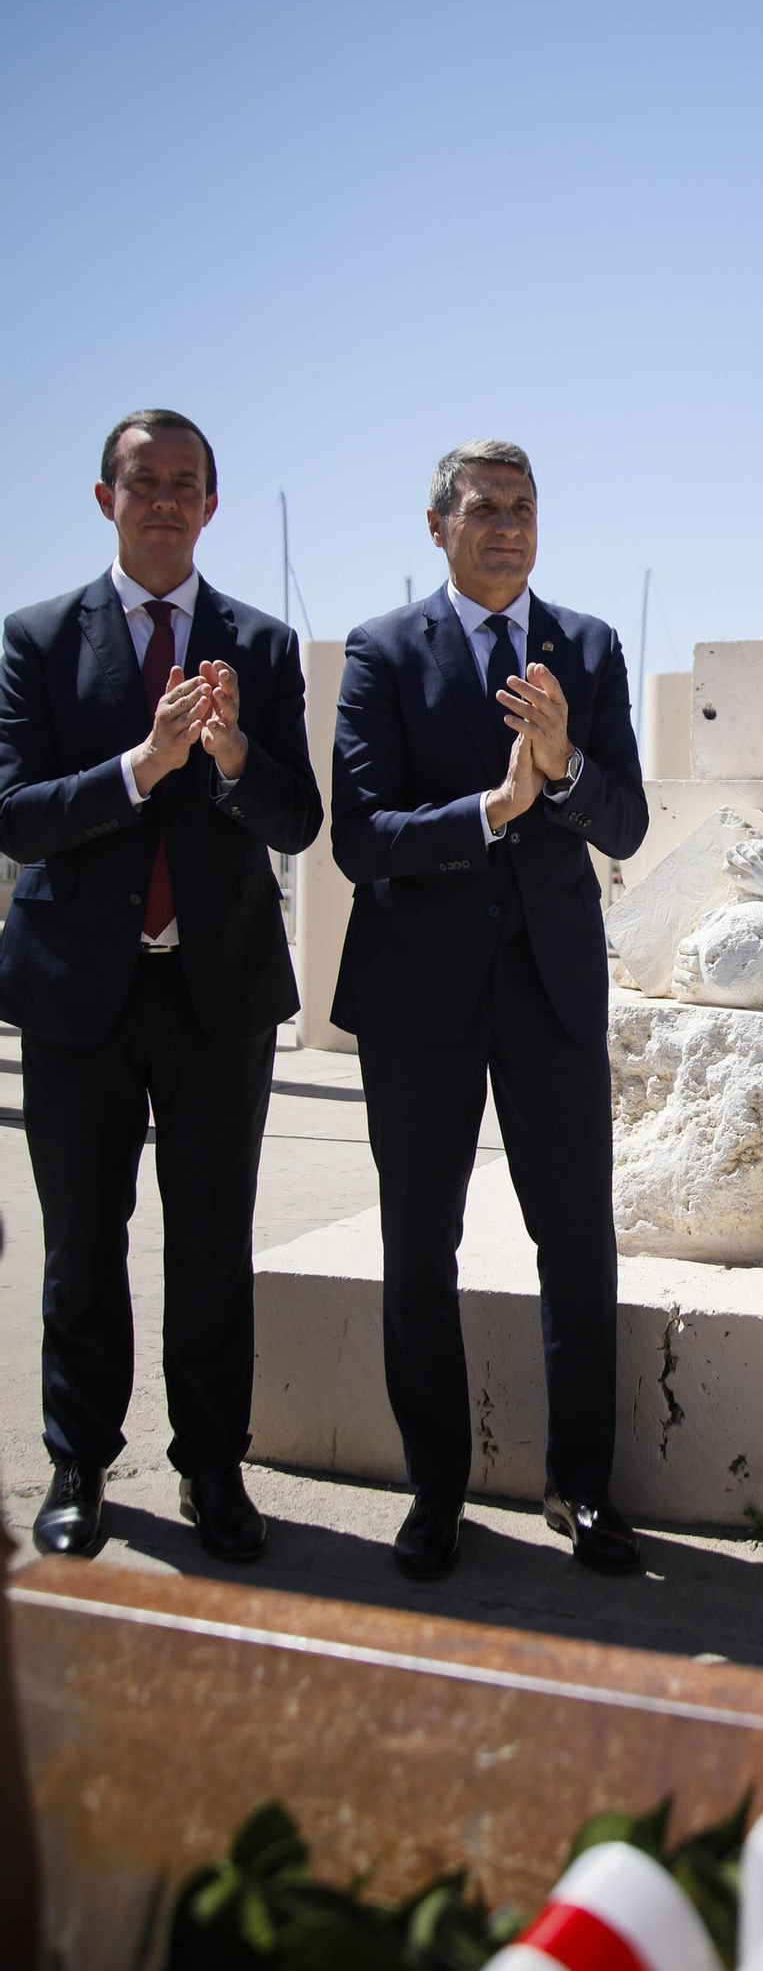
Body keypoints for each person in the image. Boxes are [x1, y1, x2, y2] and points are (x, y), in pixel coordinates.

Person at [0, 411, 323, 1562]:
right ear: (105, 499)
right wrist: (144, 767)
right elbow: (16, 813)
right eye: (145, 482)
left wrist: (231, 757)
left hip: (215, 994)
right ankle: (80, 1464)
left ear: (211, 506)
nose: (166, 500)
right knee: (83, 1240)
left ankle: (211, 1470)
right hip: (79, 994)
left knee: (209, 1245)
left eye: (187, 484)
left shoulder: (264, 646)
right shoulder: (37, 639)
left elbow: (299, 817)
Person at [330, 440, 648, 1580]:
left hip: (553, 991)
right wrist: (491, 809)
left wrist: (562, 770)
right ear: (438, 526)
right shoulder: (380, 652)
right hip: (420, 996)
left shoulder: (591, 649)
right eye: (482, 509)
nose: (506, 525)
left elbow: (625, 825)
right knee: (421, 1246)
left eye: (522, 507)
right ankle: (435, 1491)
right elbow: (359, 837)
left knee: (577, 1244)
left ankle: (583, 1488)